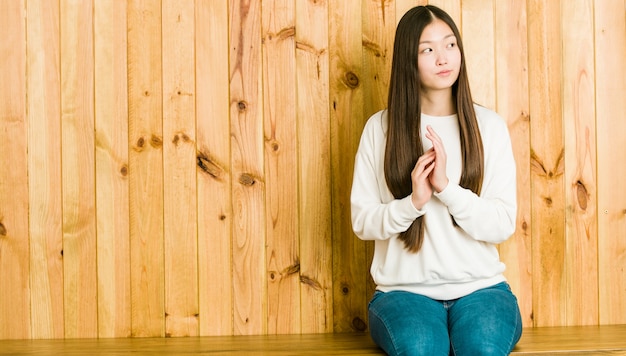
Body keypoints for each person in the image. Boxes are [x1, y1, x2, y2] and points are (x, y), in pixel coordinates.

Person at [350, 5, 522, 356]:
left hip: (482, 290)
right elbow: (363, 222)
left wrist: (447, 189)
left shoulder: (488, 126)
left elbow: (502, 224)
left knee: (482, 349)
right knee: (422, 348)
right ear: (408, 61)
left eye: (450, 45)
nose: (443, 58)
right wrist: (413, 202)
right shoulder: (380, 129)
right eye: (427, 49)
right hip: (403, 293)